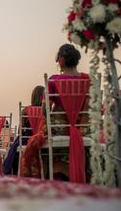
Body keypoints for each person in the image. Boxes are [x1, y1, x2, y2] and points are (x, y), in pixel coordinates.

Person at [21, 44, 90, 180]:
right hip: (84, 129)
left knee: (36, 142)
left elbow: (44, 110)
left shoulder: (53, 80)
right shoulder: (88, 80)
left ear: (60, 61)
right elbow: (93, 108)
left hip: (58, 129)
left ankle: (49, 175)